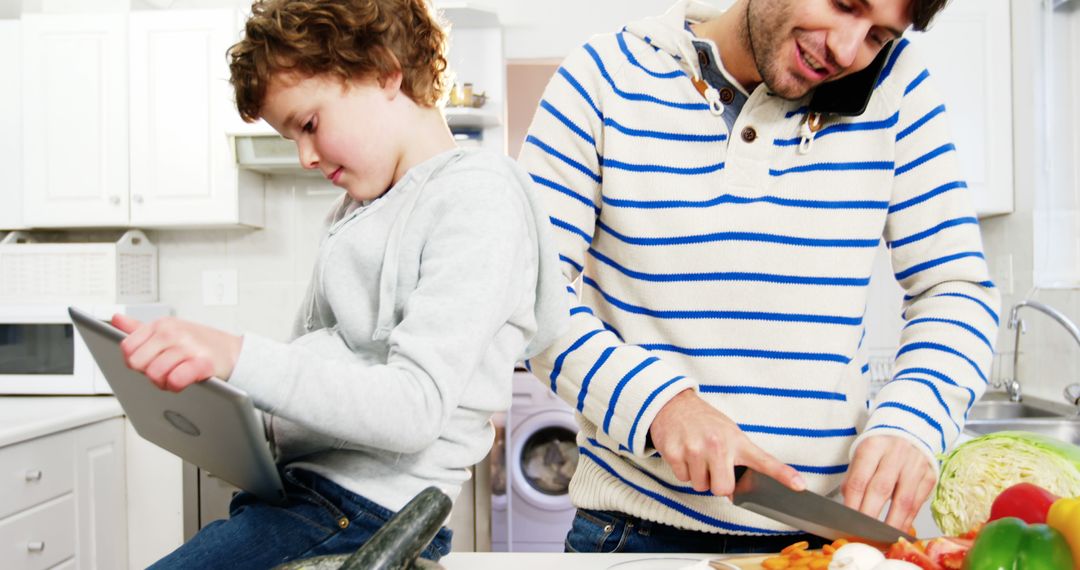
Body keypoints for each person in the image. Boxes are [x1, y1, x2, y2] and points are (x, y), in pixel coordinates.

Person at [519, 0, 1000, 554]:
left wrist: (915, 416)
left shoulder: (897, 87)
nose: (846, 52)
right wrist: (660, 406)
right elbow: (530, 294)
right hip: (631, 534)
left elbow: (954, 288)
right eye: (845, 5)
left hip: (827, 541)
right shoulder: (602, 77)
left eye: (878, 36)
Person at [113, 0, 568, 567]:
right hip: (309, 501)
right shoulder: (355, 213)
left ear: (383, 71)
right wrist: (228, 405)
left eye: (308, 124)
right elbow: (321, 368)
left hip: (362, 517)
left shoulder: (476, 198)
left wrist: (235, 355)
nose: (304, 156)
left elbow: (415, 407)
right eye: (291, 139)